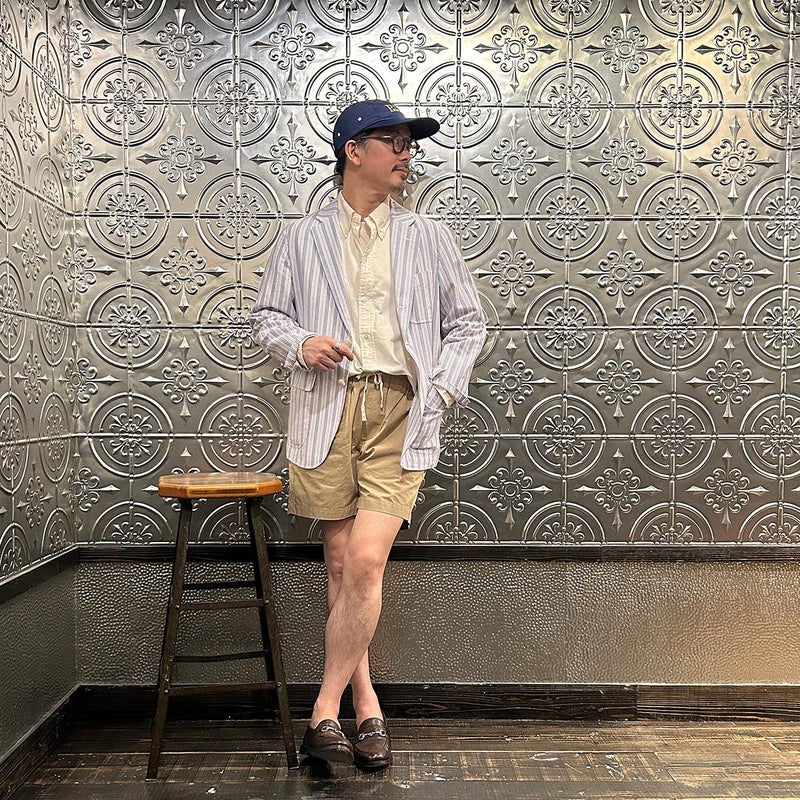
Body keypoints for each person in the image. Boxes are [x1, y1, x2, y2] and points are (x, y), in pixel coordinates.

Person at [250, 99, 485, 770]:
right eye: (394, 142)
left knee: (365, 561)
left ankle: (322, 709)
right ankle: (365, 704)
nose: (407, 154)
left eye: (410, 144)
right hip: (328, 406)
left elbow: (468, 322)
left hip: (400, 409)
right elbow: (267, 317)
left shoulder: (428, 236)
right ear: (354, 151)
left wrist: (440, 388)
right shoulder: (302, 237)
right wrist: (301, 343)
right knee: (339, 562)